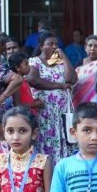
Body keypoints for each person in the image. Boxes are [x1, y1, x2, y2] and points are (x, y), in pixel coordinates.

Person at [27, 31, 77, 160]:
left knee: (64, 140)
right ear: (41, 46)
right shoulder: (35, 62)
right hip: (45, 114)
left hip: (61, 114)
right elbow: (33, 80)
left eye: (56, 44)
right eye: (50, 44)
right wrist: (59, 85)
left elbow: (71, 79)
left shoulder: (60, 63)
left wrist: (64, 57)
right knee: (46, 143)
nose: (54, 46)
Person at [73, 35, 97, 106]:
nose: (92, 48)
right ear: (85, 48)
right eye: (90, 45)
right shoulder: (79, 63)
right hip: (80, 98)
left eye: (96, 46)